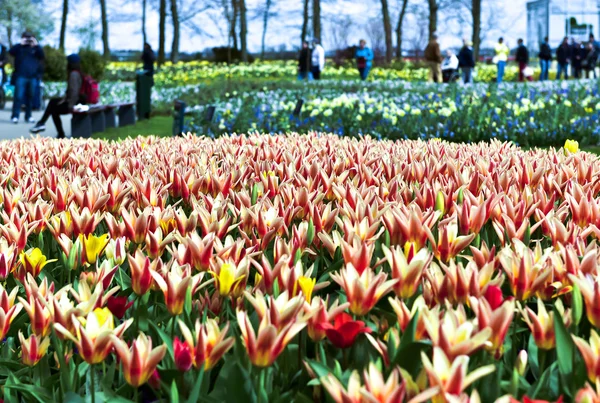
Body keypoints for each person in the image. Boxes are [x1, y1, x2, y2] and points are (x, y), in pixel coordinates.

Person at [29, 54, 84, 138]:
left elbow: (74, 91)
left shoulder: (73, 74)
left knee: (54, 109)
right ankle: (43, 124)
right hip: (78, 101)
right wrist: (64, 100)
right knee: (53, 102)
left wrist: (70, 105)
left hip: (75, 103)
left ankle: (44, 124)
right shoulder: (78, 73)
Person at [9, 32, 45, 124]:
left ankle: (28, 116)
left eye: (30, 38)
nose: (28, 40)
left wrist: (36, 45)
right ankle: (15, 116)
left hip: (32, 77)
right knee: (18, 97)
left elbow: (42, 56)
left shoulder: (36, 49)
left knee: (30, 97)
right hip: (21, 76)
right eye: (26, 38)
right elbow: (11, 52)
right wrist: (21, 44)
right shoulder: (19, 48)